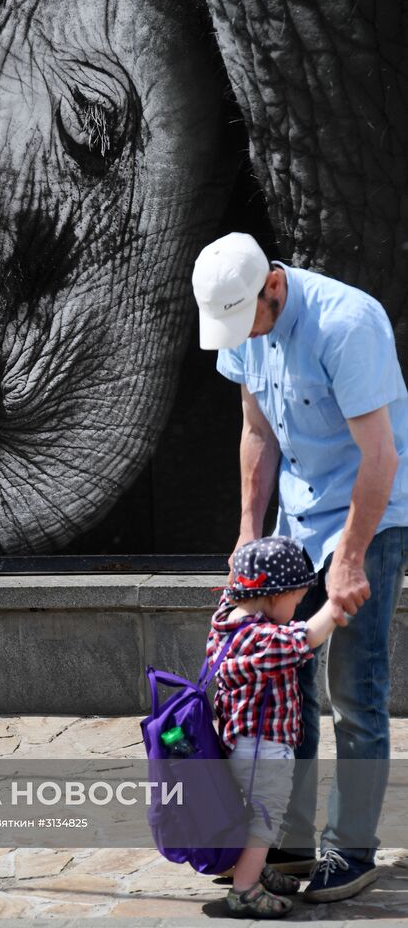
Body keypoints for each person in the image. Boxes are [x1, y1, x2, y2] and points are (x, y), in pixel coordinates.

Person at [192, 231, 408, 902]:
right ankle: (284, 842)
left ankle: (351, 849)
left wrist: (348, 561)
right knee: (286, 689)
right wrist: (245, 538)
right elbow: (257, 432)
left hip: (366, 515)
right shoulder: (242, 324)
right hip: (295, 519)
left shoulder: (347, 324)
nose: (237, 335)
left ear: (273, 287)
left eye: (243, 319)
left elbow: (380, 458)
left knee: (353, 693)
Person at [208, 536, 338, 918]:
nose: (298, 608)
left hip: (239, 745)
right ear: (272, 595)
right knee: (266, 817)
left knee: (253, 814)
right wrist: (338, 604)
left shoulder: (227, 624)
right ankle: (246, 889)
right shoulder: (262, 638)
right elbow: (306, 638)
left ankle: (255, 868)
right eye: (296, 600)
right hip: (264, 749)